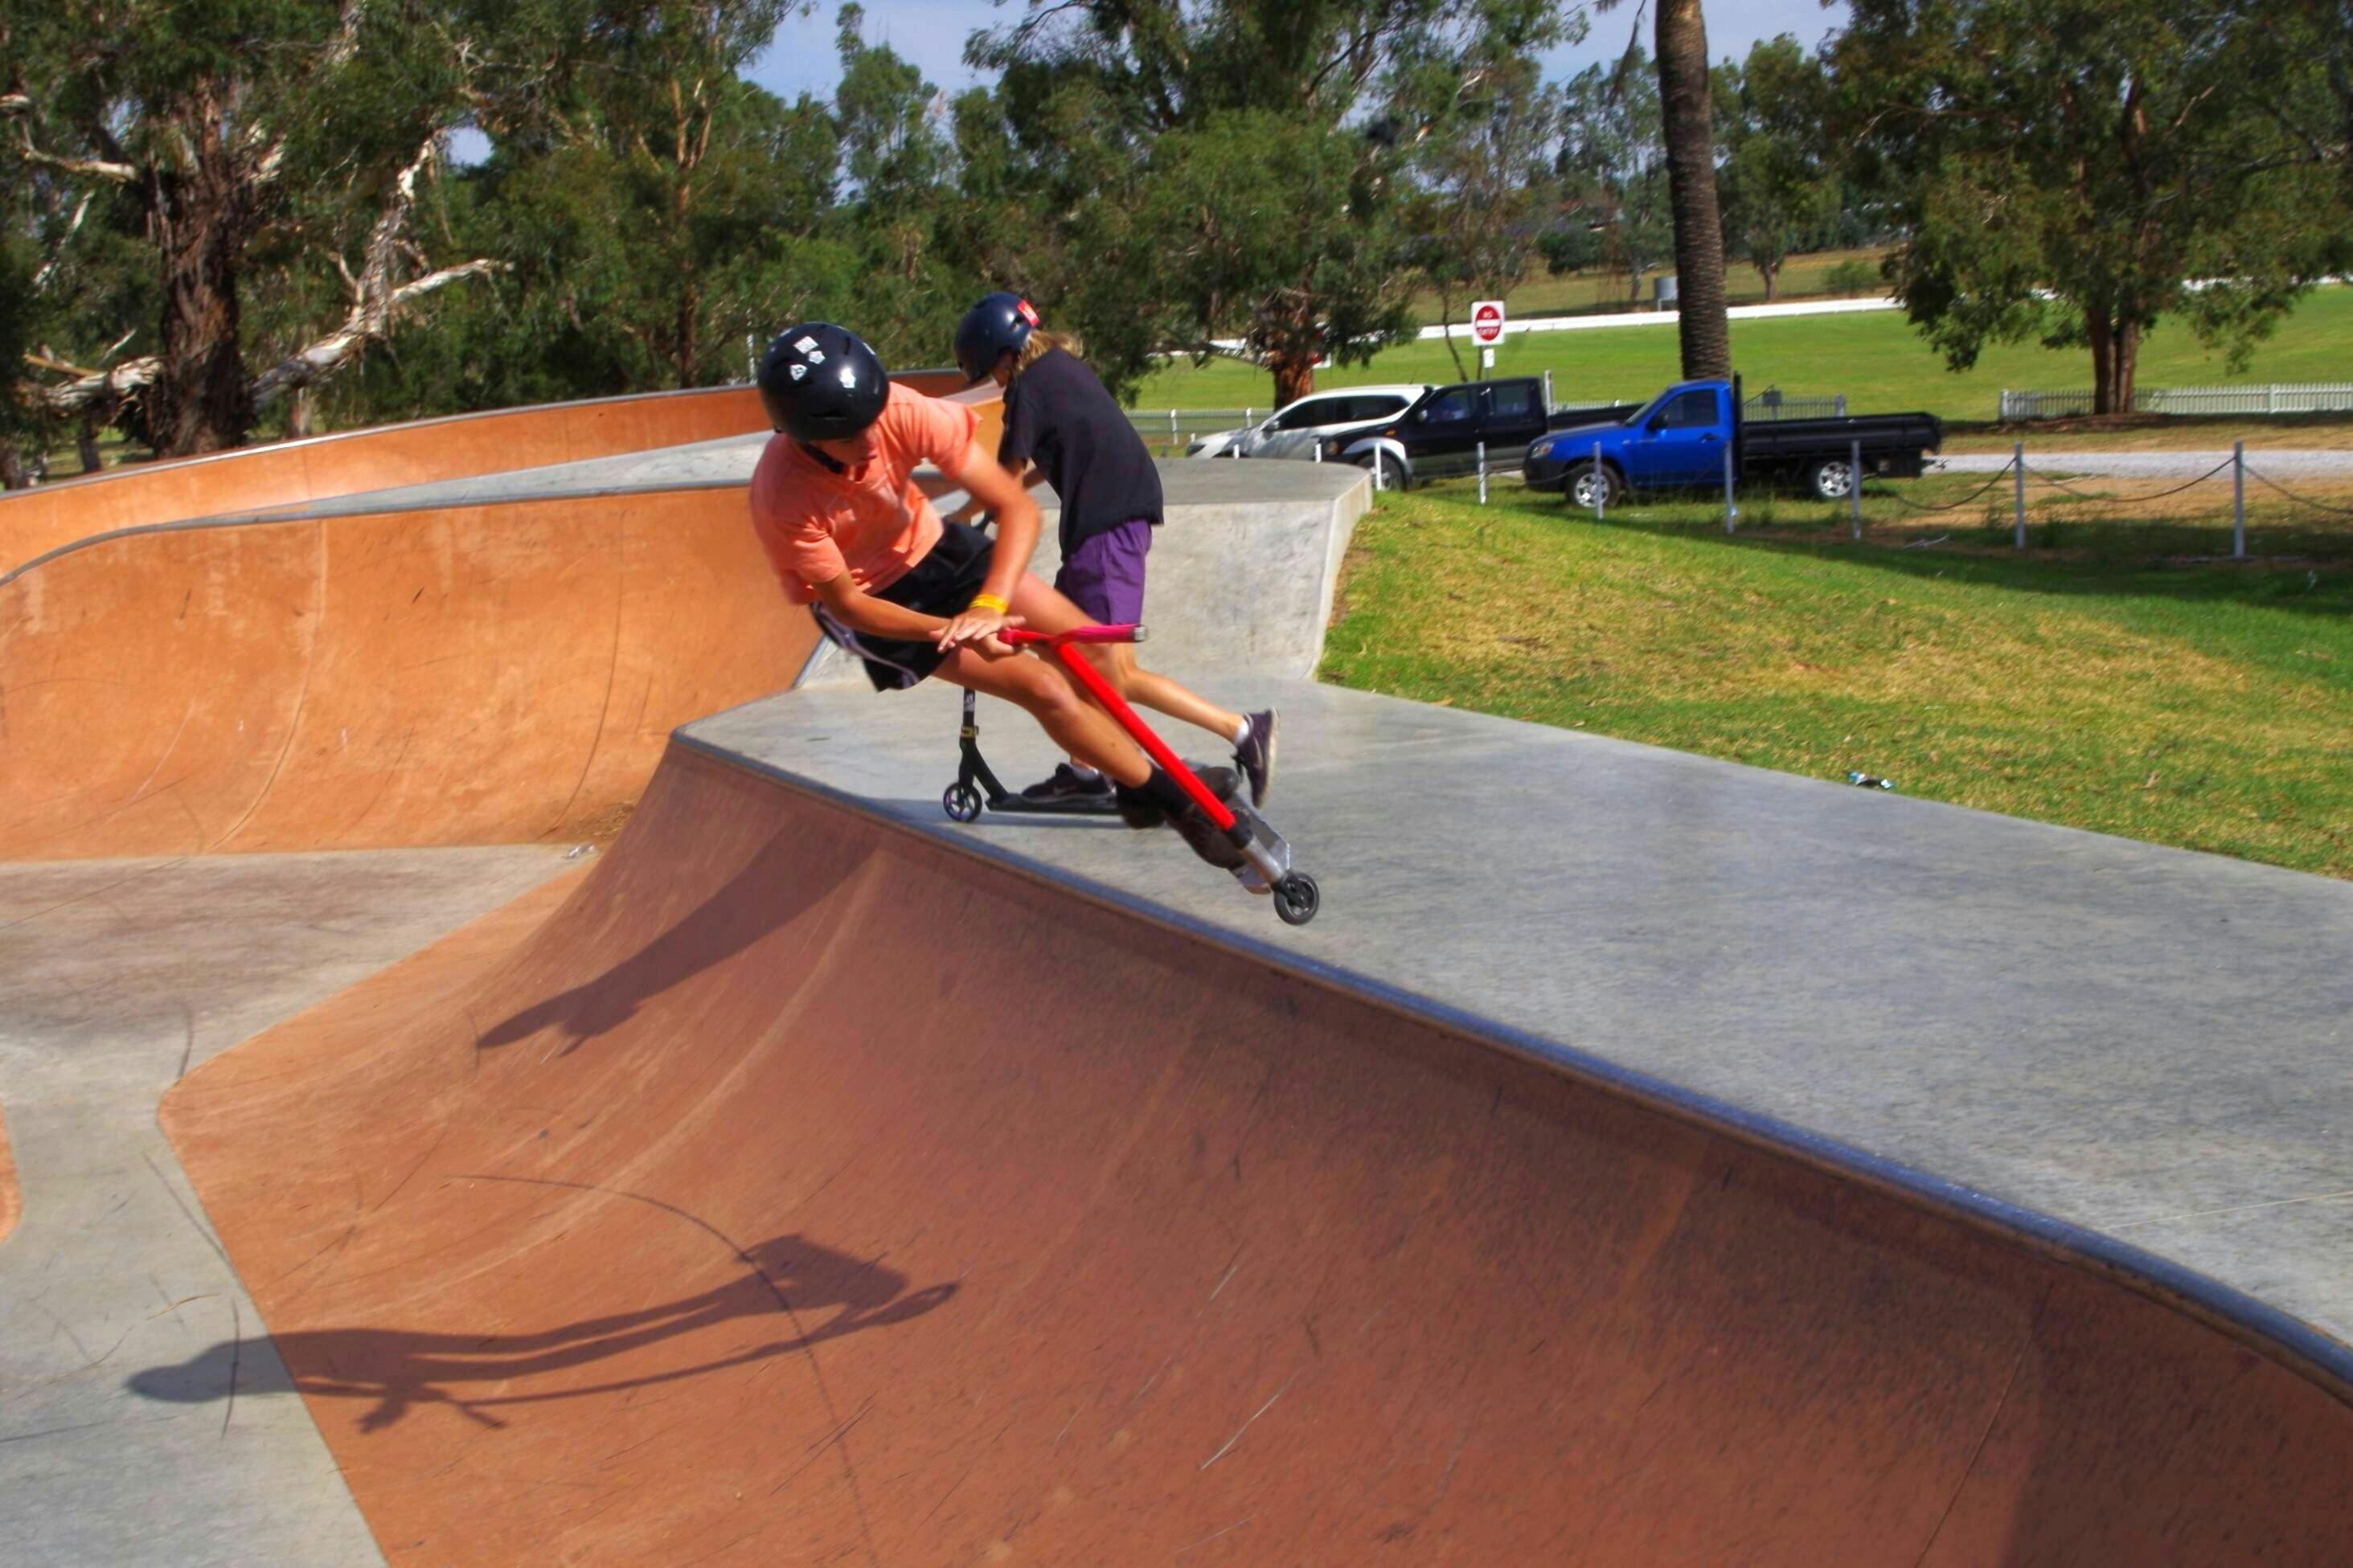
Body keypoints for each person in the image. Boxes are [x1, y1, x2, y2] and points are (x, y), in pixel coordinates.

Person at [748, 321, 1248, 870]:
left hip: (938, 547)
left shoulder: (900, 409)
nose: (870, 443)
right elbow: (847, 605)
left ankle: (1134, 784)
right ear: (801, 435)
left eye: (873, 421)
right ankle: (1175, 801)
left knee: (1093, 653)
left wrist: (986, 605)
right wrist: (948, 629)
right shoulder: (782, 496)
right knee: (1045, 688)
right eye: (849, 438)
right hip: (879, 601)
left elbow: (1015, 506)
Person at [953, 293, 1277, 809]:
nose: (992, 384)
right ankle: (1088, 770)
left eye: (988, 372)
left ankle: (1239, 731)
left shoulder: (1027, 389)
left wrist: (958, 522)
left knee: (1111, 671)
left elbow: (1004, 480)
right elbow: (1056, 453)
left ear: (1001, 354)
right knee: (1064, 650)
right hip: (1113, 521)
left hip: (1105, 529)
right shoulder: (1060, 369)